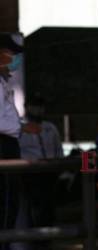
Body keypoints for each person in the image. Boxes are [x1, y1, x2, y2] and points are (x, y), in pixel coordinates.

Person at [15, 94, 63, 250]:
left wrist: (58, 170)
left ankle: (45, 243)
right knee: (30, 212)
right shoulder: (19, 127)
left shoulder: (50, 127)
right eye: (35, 105)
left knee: (48, 212)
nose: (39, 109)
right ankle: (32, 243)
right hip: (28, 175)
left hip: (49, 175)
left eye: (41, 106)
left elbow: (58, 151)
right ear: (27, 107)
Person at [0, 34, 23, 250]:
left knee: (10, 205)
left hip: (9, 143)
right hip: (3, 145)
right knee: (6, 204)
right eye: (11, 53)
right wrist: (22, 127)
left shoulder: (3, 80)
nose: (14, 58)